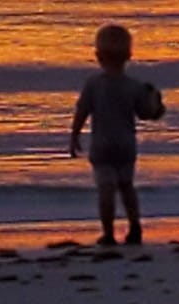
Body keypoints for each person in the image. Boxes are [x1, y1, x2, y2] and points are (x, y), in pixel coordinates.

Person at [70, 23, 148, 245]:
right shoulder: (134, 86)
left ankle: (108, 233)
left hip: (102, 145)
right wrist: (153, 102)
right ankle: (135, 227)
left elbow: (82, 111)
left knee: (106, 189)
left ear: (97, 56)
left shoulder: (94, 84)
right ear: (129, 55)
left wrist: (74, 136)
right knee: (126, 186)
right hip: (126, 144)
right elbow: (144, 112)